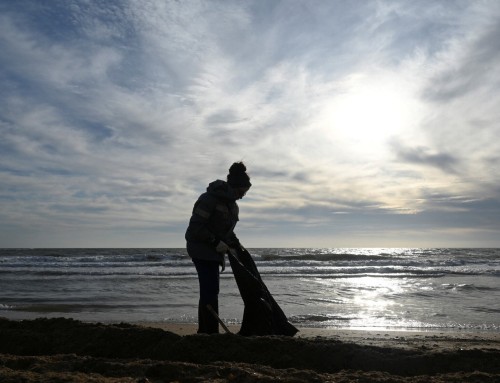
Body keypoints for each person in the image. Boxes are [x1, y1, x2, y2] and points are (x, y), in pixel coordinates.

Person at [185, 162, 251, 334]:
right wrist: (215, 242)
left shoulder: (233, 206)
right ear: (233, 187)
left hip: (214, 251)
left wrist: (237, 245)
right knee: (210, 289)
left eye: (245, 193)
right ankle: (208, 332)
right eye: (241, 192)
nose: (242, 196)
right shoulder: (209, 199)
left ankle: (208, 330)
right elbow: (195, 227)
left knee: (212, 289)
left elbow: (227, 233)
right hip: (200, 248)